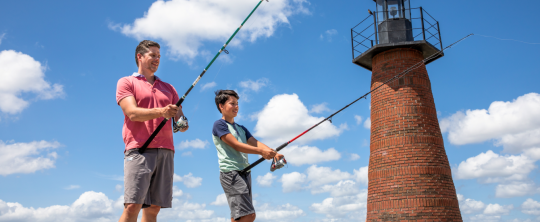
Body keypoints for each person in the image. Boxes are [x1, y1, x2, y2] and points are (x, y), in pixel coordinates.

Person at [116, 40, 189, 222]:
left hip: (166, 150)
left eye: (159, 56)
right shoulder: (126, 82)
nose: (157, 59)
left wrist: (182, 123)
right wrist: (161, 112)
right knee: (133, 205)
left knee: (154, 208)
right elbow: (132, 113)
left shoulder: (169, 88)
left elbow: (180, 118)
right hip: (139, 149)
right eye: (153, 55)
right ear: (140, 56)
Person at [212, 90, 284, 222]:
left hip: (245, 173)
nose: (236, 106)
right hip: (230, 173)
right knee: (249, 215)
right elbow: (236, 145)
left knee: (237, 216)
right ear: (221, 106)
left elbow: (256, 143)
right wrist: (261, 152)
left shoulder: (241, 128)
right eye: (232, 103)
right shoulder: (219, 125)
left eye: (237, 104)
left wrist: (273, 153)